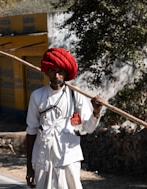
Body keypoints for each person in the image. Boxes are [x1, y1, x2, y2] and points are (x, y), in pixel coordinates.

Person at [25, 47, 104, 189]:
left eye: (60, 71)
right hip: (43, 158)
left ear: (66, 72)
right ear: (47, 72)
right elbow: (31, 131)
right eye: (53, 71)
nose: (56, 75)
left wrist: (96, 112)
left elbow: (88, 128)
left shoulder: (75, 95)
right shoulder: (37, 96)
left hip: (69, 158)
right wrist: (29, 167)